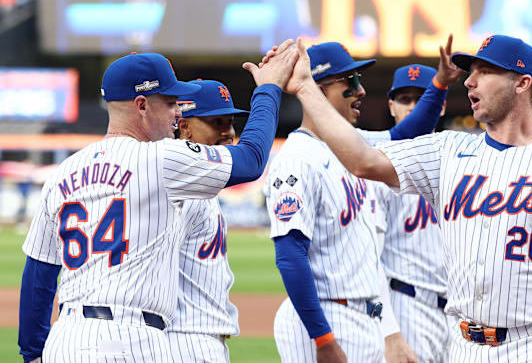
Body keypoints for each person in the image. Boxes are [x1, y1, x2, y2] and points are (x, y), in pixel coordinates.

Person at [277, 35, 532, 362]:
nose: (469, 82)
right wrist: (307, 89)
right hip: (463, 345)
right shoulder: (447, 151)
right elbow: (362, 160)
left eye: (484, 73)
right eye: (469, 73)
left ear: (522, 83)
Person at [18, 41, 298, 362]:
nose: (178, 112)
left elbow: (39, 273)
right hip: (128, 338)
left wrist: (32, 353)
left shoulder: (63, 172)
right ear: (141, 105)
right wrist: (269, 89)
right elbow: (250, 160)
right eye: (170, 102)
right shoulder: (160, 158)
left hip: (65, 338)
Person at [264, 38, 460, 363]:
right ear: (319, 89)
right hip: (326, 316)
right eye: (350, 81)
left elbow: (407, 133)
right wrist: (323, 338)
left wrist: (439, 84)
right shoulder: (297, 158)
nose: (361, 90)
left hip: (363, 317)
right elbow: (290, 255)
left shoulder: (354, 144)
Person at [166, 79, 249, 362]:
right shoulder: (178, 189)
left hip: (199, 338)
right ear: (184, 126)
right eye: (217, 122)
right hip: (183, 339)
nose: (228, 132)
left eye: (230, 122)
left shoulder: (202, 184)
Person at [374, 64, 453, 363]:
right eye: (405, 99)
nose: (413, 107)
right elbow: (369, 257)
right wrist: (389, 331)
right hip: (407, 306)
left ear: (440, 105)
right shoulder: (377, 166)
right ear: (391, 106)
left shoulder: (458, 162)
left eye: (422, 98)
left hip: (460, 314)